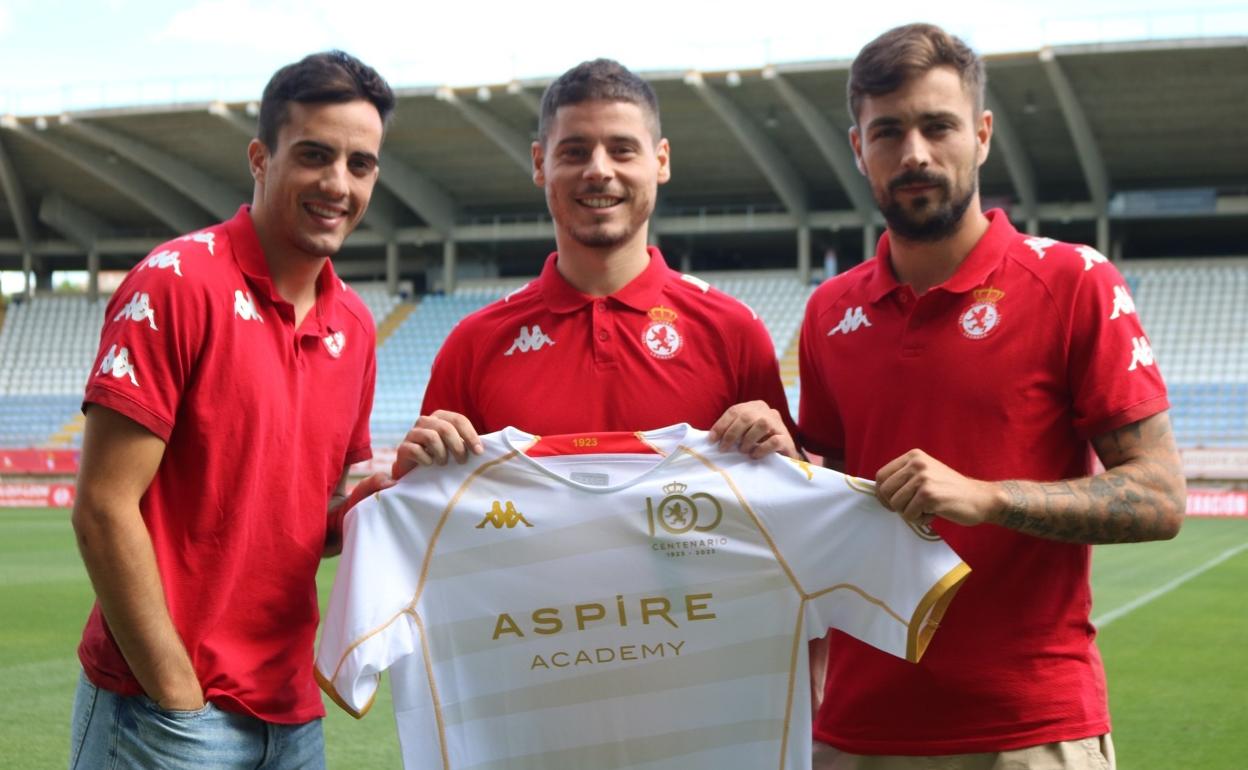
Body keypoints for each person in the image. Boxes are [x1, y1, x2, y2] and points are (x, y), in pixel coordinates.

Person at [798, 23, 1186, 770]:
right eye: (888, 132)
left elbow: (1161, 496)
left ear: (980, 135)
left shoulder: (1073, 281)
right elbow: (828, 511)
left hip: (1028, 731)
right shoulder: (828, 313)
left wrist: (988, 497)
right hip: (857, 732)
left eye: (937, 126)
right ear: (858, 149)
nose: (914, 152)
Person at [68, 50, 394, 769]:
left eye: (360, 165)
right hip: (166, 715)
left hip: (293, 717)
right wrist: (177, 695)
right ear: (260, 158)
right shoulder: (177, 282)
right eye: (314, 155)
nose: (338, 184)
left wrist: (389, 497)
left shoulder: (356, 325)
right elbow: (102, 509)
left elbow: (313, 520)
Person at [397, 58, 796, 473]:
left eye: (622, 150)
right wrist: (412, 474)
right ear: (540, 163)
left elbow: (787, 494)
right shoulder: (474, 344)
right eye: (575, 152)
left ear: (661, 161)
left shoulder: (734, 332)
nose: (599, 170)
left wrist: (788, 459)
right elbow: (432, 499)